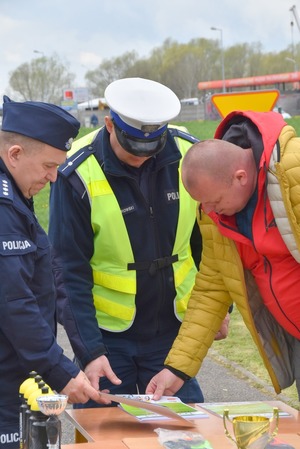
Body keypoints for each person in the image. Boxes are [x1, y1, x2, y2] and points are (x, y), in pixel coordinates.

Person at [48, 77, 228, 408]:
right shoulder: (77, 172)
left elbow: (213, 242)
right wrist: (89, 351)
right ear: (109, 124)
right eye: (132, 148)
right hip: (106, 338)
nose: (141, 158)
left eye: (152, 148)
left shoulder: (189, 154)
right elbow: (67, 269)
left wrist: (220, 308)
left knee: (187, 431)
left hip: (172, 329)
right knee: (102, 433)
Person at [145, 109, 300, 401]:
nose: (211, 212)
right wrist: (177, 369)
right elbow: (212, 289)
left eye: (214, 202)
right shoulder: (215, 212)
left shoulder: (293, 172)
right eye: (205, 205)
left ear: (240, 177)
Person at [0, 95, 111, 447]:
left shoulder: (15, 197)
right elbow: (15, 303)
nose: (52, 179)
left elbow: (38, 284)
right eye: (49, 166)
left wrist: (73, 360)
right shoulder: (3, 210)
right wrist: (61, 371)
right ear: (14, 154)